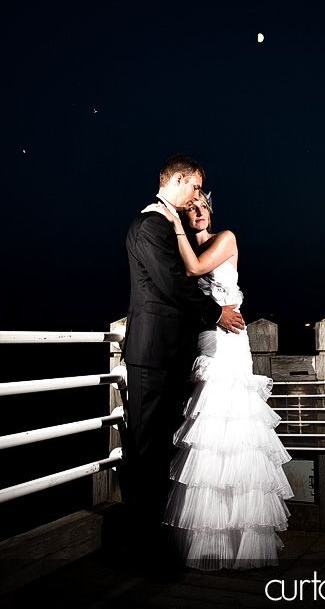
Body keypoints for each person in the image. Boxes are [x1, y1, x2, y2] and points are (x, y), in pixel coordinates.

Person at [141, 191, 293, 570]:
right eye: (189, 209)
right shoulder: (181, 252)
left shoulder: (226, 239)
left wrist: (174, 223)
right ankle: (206, 536)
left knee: (234, 425)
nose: (197, 212)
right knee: (207, 428)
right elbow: (182, 289)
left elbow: (194, 270)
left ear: (211, 211)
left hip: (231, 341)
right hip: (206, 338)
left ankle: (242, 536)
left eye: (201, 207)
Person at [121, 155, 245, 571]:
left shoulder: (170, 226)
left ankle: (162, 545)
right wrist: (217, 314)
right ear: (178, 179)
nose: (198, 196)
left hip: (173, 357)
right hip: (153, 357)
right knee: (147, 454)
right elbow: (174, 284)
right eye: (195, 187)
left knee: (163, 453)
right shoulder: (151, 224)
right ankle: (145, 552)